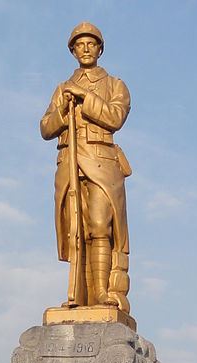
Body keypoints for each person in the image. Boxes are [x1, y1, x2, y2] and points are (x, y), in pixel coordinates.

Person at [40, 22, 131, 313]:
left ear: (100, 48)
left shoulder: (115, 84)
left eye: (92, 43)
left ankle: (104, 294)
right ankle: (78, 295)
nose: (86, 48)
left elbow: (115, 117)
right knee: (75, 231)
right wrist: (62, 111)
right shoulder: (62, 88)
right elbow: (45, 128)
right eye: (80, 44)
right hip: (69, 164)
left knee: (100, 226)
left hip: (102, 162)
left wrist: (84, 97)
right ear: (73, 50)